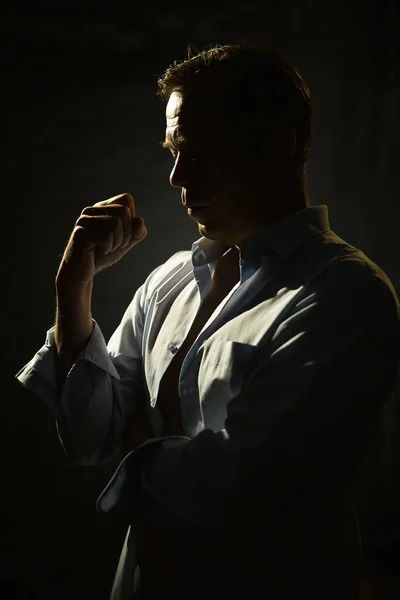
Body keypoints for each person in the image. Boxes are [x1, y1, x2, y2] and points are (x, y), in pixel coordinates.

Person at [16, 42, 400, 600]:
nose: (175, 176)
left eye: (197, 151)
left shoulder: (346, 293)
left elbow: (240, 483)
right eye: (172, 150)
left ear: (276, 145)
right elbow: (89, 435)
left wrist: (137, 449)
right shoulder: (169, 280)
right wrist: (73, 289)